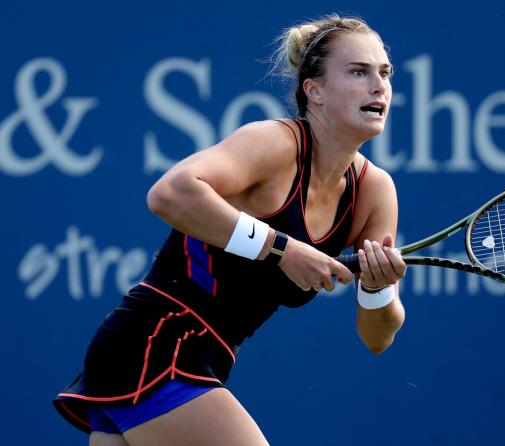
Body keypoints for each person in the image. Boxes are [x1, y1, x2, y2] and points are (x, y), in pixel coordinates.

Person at [54, 14, 406, 446]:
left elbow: (377, 337)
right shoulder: (274, 145)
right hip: (155, 344)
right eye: (358, 71)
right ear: (313, 91)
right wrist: (281, 248)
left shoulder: (375, 191)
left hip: (197, 359)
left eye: (385, 73)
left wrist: (377, 288)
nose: (379, 86)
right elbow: (169, 193)